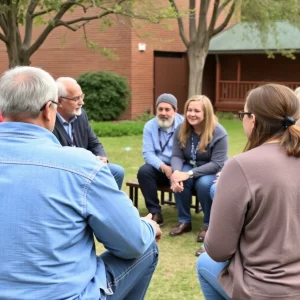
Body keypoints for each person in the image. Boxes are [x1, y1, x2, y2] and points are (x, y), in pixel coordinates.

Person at [0, 66, 161, 300]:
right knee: (146, 246)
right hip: (67, 295)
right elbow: (132, 243)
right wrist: (148, 227)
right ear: (48, 110)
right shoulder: (80, 166)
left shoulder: (80, 157)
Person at [197, 84, 300, 300]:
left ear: (252, 119)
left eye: (242, 114)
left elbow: (218, 250)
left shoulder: (241, 166)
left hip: (264, 288)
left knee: (204, 261)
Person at [169, 95, 228, 255]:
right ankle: (184, 221)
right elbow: (176, 155)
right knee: (180, 181)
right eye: (189, 110)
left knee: (203, 184)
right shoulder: (181, 129)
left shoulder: (218, 132)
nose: (191, 114)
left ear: (206, 113)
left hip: (211, 169)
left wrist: (188, 173)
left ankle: (208, 224)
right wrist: (175, 174)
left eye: (196, 111)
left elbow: (217, 163)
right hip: (189, 164)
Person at [53, 77, 124, 190]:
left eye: (82, 96)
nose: (82, 102)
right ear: (60, 101)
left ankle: (104, 207)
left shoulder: (81, 115)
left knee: (117, 172)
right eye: (76, 99)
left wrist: (102, 157)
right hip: (65, 171)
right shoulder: (49, 121)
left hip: (86, 166)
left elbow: (94, 143)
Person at [137, 94, 183, 226]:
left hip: (180, 166)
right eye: (160, 109)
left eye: (167, 109)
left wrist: (174, 169)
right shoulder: (149, 126)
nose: (163, 113)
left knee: (184, 173)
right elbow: (148, 153)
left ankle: (184, 217)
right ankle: (155, 212)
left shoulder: (184, 125)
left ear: (175, 111)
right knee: (144, 171)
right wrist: (164, 167)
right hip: (160, 167)